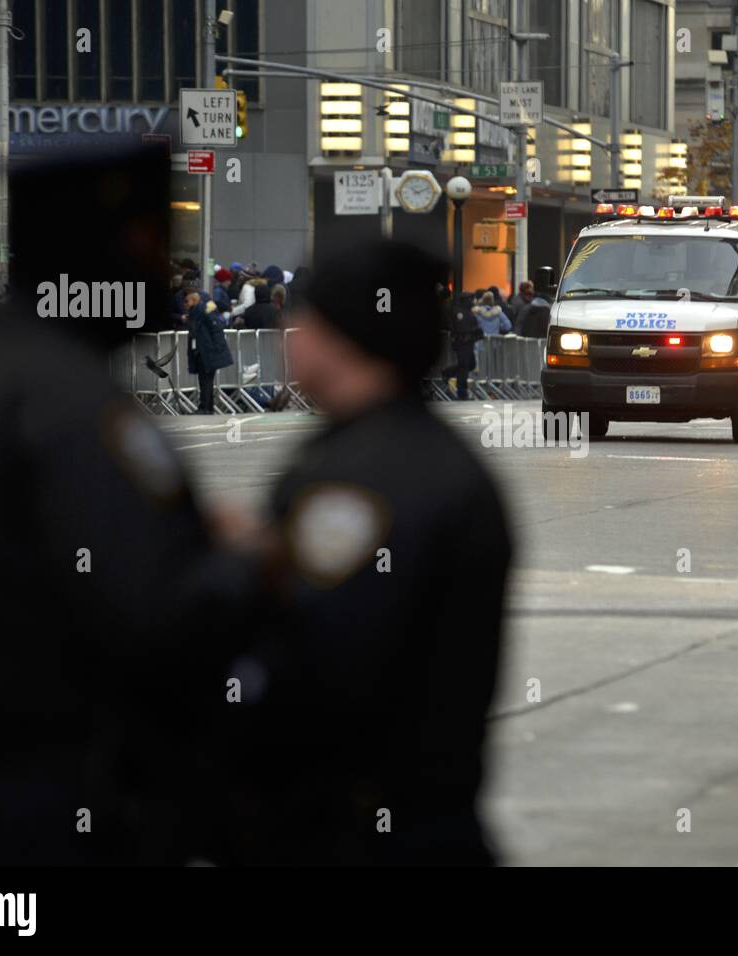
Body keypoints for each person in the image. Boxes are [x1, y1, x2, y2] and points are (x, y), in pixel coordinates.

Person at [0, 144, 248, 866]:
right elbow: (150, 615)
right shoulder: (76, 407)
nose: (159, 276)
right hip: (75, 805)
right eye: (150, 248)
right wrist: (240, 564)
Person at [227, 238, 512, 864]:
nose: (286, 334)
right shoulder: (395, 452)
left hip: (368, 829)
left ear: (339, 337)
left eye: (301, 321)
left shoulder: (365, 481)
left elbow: (321, 655)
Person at [187, 289, 233, 413]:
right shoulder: (201, 309)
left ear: (194, 298)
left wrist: (216, 348)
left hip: (207, 349)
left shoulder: (203, 309)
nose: (185, 304)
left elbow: (215, 328)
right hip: (203, 348)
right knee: (206, 379)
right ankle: (207, 406)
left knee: (205, 379)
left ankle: (205, 407)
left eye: (187, 300)